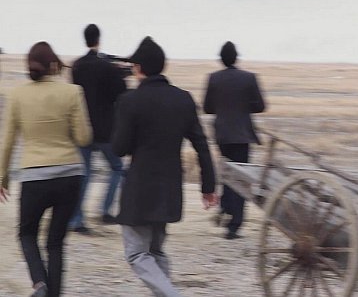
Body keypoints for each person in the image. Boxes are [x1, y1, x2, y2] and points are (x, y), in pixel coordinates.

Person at [112, 37, 218, 297]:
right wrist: (208, 186)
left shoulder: (130, 100)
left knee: (137, 253)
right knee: (156, 251)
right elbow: (202, 145)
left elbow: (119, 148)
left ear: (138, 68)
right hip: (170, 186)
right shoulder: (183, 99)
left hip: (140, 187)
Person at [0, 42, 93, 297]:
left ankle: (39, 283)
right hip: (70, 175)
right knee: (55, 242)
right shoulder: (73, 92)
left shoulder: (17, 95)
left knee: (27, 234)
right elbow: (84, 138)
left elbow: (8, 142)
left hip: (34, 176)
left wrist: (3, 178)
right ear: (53, 64)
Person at [203, 41, 266, 239]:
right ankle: (234, 225)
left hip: (222, 134)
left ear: (221, 59)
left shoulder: (214, 78)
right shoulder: (249, 78)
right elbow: (260, 106)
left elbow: (207, 108)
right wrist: (243, 107)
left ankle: (225, 208)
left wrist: (224, 108)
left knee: (226, 174)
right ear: (236, 58)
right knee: (240, 178)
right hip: (242, 134)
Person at [69, 24, 128, 232]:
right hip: (105, 129)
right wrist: (120, 73)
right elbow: (121, 94)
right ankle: (105, 210)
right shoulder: (107, 67)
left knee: (84, 173)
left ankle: (76, 219)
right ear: (98, 39)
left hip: (82, 126)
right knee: (118, 168)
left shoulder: (77, 66)